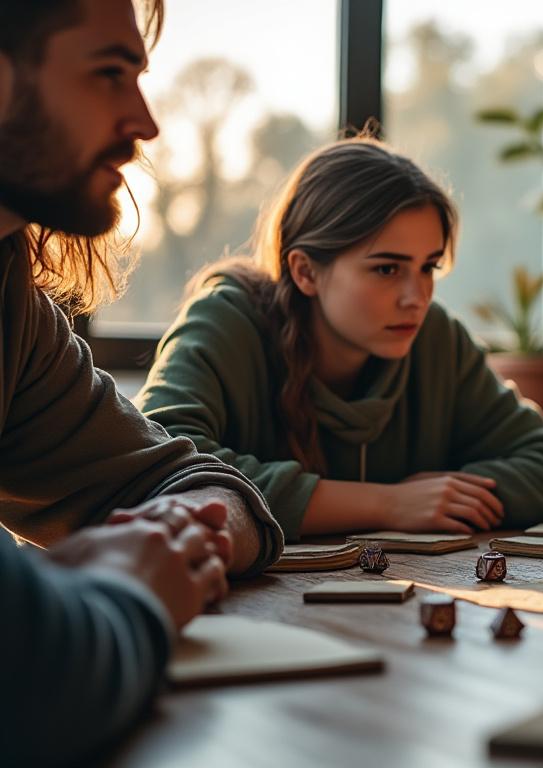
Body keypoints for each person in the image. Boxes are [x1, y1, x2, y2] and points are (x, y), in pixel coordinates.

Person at [0, 0, 282, 762]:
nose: (147, 121)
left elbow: (174, 476)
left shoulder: (8, 299)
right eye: (109, 74)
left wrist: (192, 526)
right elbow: (35, 685)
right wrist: (133, 588)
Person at [135, 137, 543, 541]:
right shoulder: (226, 321)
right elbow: (156, 462)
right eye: (387, 269)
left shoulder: (436, 340)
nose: (417, 298)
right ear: (305, 271)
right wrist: (389, 504)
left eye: (428, 266)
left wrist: (439, 495)